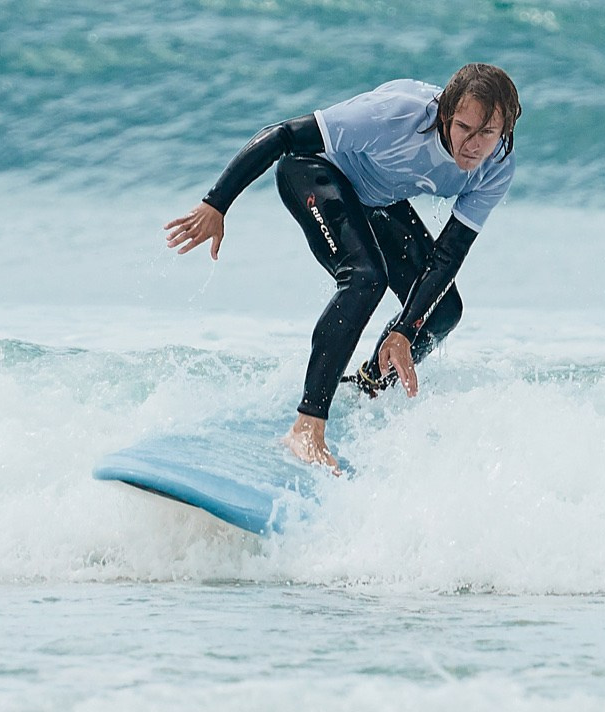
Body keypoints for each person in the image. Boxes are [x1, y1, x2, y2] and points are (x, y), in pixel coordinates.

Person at [163, 63, 520, 469]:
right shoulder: (395, 115)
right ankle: (306, 427)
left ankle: (365, 390)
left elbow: (449, 254)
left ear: (505, 130)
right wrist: (216, 203)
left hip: (376, 198)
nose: (473, 145)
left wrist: (404, 330)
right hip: (314, 170)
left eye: (487, 133)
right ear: (445, 115)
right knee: (365, 278)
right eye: (463, 128)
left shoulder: (497, 166)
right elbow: (283, 136)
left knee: (442, 311)